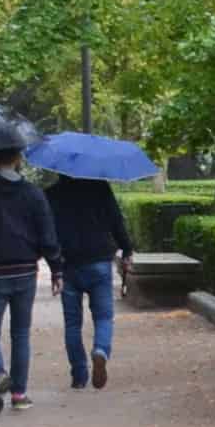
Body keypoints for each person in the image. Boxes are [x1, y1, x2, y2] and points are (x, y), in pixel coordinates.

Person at [0, 143, 62, 417]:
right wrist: (56, 268)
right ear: (17, 159)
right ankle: (19, 393)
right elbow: (47, 235)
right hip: (25, 269)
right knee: (20, 334)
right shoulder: (33, 194)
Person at [41, 165, 135, 390]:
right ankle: (101, 350)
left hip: (68, 264)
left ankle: (79, 374)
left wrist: (53, 263)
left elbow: (46, 231)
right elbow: (116, 220)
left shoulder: (52, 194)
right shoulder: (100, 188)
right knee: (103, 317)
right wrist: (127, 249)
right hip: (99, 261)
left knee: (72, 324)